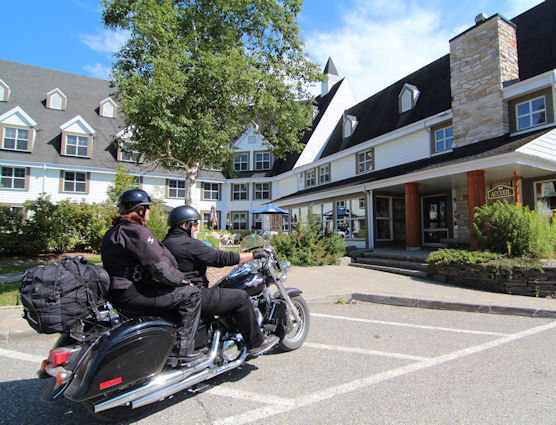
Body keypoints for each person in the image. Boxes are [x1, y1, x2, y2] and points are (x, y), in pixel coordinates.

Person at [162, 205, 278, 357]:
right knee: (240, 298)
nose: (197, 228)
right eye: (195, 224)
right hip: (195, 296)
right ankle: (255, 343)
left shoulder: (165, 243)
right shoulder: (188, 244)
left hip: (178, 295)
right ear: (185, 225)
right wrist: (254, 255)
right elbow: (221, 258)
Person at [100, 188, 202, 360]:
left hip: (116, 293)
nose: (149, 212)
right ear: (140, 209)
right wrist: (184, 282)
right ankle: (183, 352)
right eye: (148, 208)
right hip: (133, 293)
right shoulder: (138, 232)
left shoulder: (113, 231)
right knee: (192, 295)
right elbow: (161, 269)